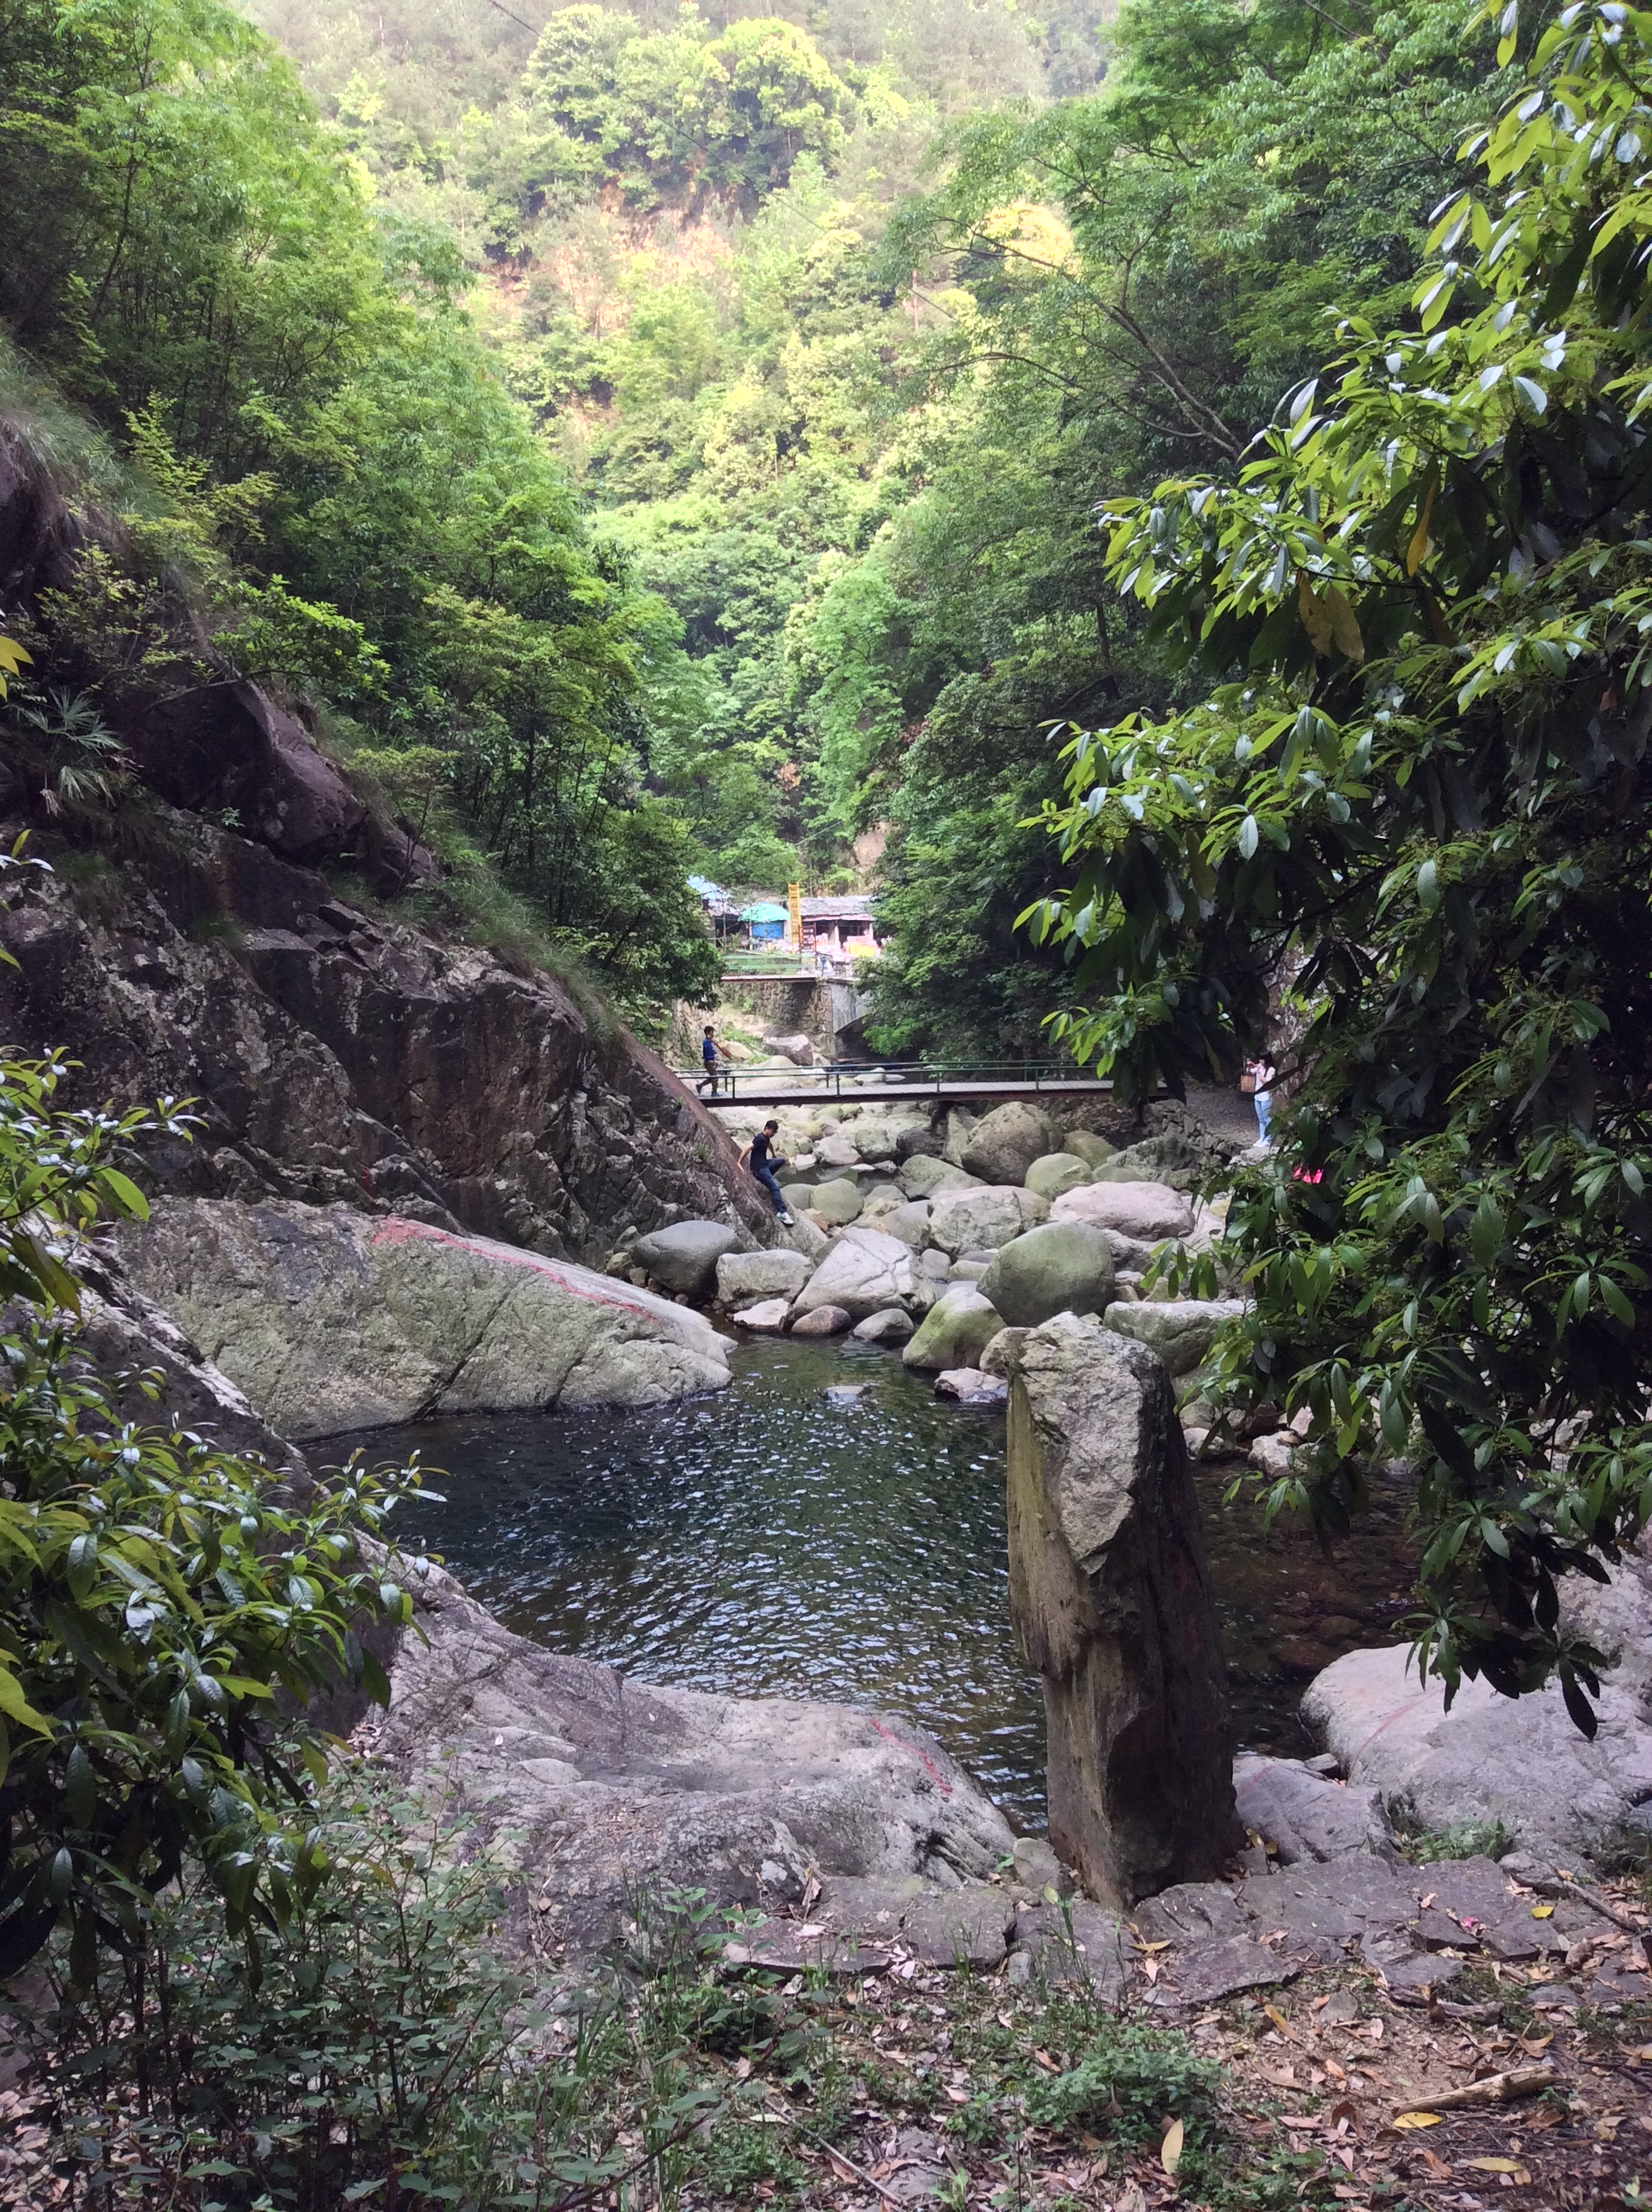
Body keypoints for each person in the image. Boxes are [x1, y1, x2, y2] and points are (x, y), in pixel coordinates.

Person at [739, 1120, 795, 1225]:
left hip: (765, 1164)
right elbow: (748, 1148)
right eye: (772, 1131)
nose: (773, 1134)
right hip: (758, 1169)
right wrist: (739, 1162)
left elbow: (769, 1145)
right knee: (775, 1188)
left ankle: (767, 1178)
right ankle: (782, 1213)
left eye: (774, 1132)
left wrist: (773, 1154)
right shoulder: (760, 1138)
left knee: (780, 1160)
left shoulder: (766, 1138)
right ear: (766, 1128)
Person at [1243, 1057, 1277, 1145]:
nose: (1260, 1061)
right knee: (1261, 1119)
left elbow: (1266, 1082)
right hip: (1257, 1097)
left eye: (1262, 1059)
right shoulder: (1260, 1067)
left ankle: (1268, 1139)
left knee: (1267, 1119)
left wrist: (1258, 1071)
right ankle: (1262, 1137)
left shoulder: (1271, 1070)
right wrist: (1249, 1066)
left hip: (1266, 1097)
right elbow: (1249, 1073)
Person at [696, 1023, 732, 1096]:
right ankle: (714, 1092)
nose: (713, 1034)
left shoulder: (709, 1041)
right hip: (709, 1062)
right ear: (707, 1033)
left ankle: (700, 1086)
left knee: (713, 1077)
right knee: (715, 1077)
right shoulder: (706, 1041)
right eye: (711, 1032)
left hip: (711, 1061)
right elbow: (707, 1049)